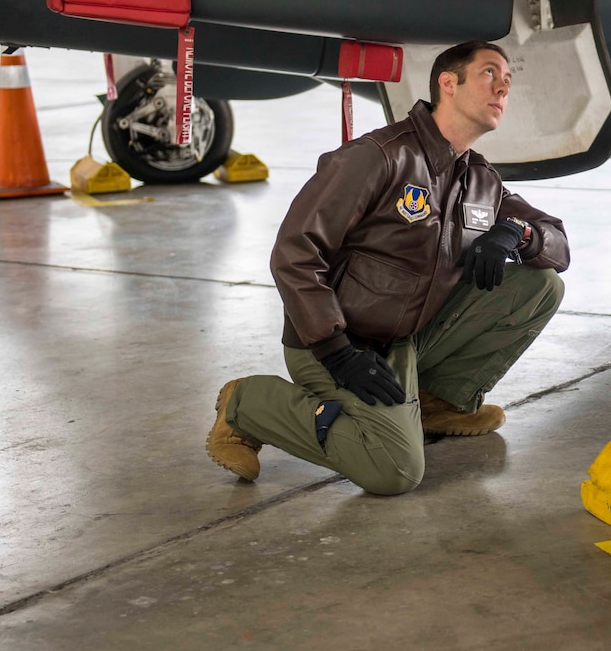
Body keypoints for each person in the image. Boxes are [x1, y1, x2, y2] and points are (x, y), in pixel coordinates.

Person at [205, 40, 568, 494]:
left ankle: (437, 401)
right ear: (448, 83)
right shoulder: (378, 156)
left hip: (405, 340)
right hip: (338, 344)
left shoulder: (480, 179)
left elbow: (557, 243)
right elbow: (295, 252)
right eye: (489, 74)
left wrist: (517, 232)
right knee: (393, 471)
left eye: (508, 81)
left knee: (540, 285)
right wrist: (336, 351)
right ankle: (247, 402)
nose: (503, 87)